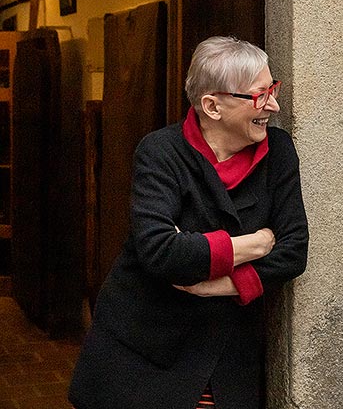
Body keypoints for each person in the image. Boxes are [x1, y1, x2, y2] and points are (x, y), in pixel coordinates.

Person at [68, 36, 309, 409]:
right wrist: (255, 245)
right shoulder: (161, 152)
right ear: (212, 105)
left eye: (272, 89)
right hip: (144, 349)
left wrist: (215, 283)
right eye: (259, 95)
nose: (273, 106)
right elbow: (160, 251)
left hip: (227, 350)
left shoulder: (278, 152)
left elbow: (294, 252)